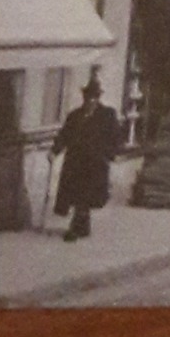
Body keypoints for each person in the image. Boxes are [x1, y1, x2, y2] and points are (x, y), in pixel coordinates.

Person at [52, 76, 121, 242]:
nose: (90, 100)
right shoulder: (75, 116)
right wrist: (54, 151)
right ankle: (82, 227)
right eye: (88, 97)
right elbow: (64, 135)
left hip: (95, 163)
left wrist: (110, 154)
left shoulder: (107, 115)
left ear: (98, 98)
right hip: (75, 163)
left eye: (94, 97)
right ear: (84, 97)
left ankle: (75, 229)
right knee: (76, 195)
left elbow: (116, 137)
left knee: (85, 196)